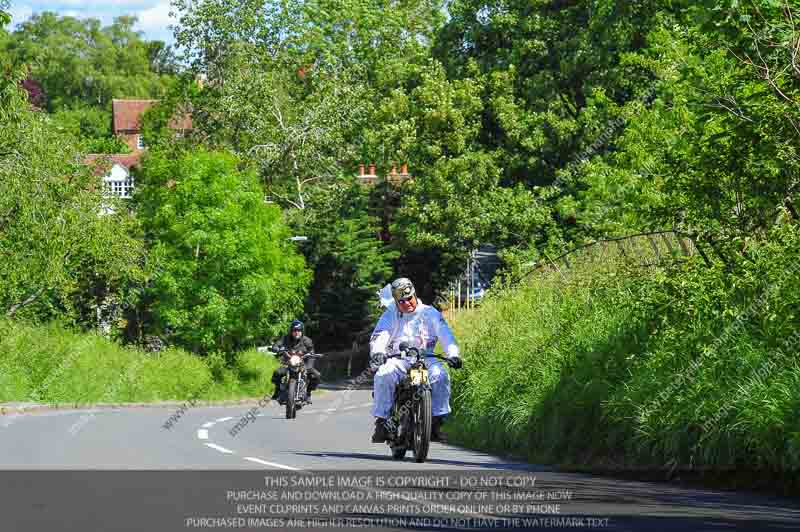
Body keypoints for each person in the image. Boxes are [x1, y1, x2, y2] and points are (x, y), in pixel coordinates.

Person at [369, 277, 463, 444]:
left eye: (409, 298)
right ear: (396, 301)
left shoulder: (430, 313)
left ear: (415, 294)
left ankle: (436, 423)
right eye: (402, 301)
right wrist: (378, 352)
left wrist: (453, 354)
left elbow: (446, 335)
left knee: (440, 375)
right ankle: (382, 422)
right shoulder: (391, 314)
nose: (407, 303)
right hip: (398, 359)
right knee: (383, 374)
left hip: (425, 358)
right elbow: (381, 334)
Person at [270, 320, 321, 403]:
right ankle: (277, 390)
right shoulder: (286, 338)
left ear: (302, 331)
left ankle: (308, 393)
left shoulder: (307, 341)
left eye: (299, 330)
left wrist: (309, 366)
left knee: (316, 376)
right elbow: (277, 344)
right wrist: (276, 348)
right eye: (294, 330)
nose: (297, 332)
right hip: (288, 363)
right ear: (291, 331)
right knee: (277, 373)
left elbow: (312, 352)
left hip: (303, 364)